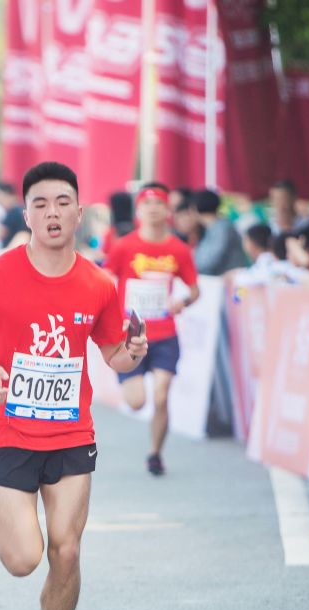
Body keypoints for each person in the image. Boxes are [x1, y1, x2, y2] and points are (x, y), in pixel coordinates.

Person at [0, 161, 148, 610]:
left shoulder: (99, 284)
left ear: (79, 213)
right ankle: (12, 525)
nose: (52, 213)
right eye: (40, 204)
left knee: (69, 550)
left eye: (62, 203)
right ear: (27, 215)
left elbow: (113, 354)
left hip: (70, 433)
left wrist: (132, 353)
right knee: (23, 559)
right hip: (7, 430)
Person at [105, 182, 200, 477]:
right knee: (137, 403)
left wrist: (182, 302)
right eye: (147, 204)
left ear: (167, 209)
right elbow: (105, 281)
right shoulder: (124, 246)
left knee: (161, 395)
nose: (153, 209)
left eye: (159, 203)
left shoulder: (178, 249)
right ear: (138, 210)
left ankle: (155, 453)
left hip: (165, 334)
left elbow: (194, 289)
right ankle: (132, 389)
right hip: (130, 336)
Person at [193, 189, 248, 275]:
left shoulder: (222, 228)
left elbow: (212, 260)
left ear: (196, 208)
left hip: (225, 278)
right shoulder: (214, 227)